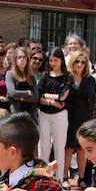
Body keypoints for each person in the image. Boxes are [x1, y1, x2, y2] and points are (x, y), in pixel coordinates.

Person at [37, 47, 70, 182]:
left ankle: (59, 178)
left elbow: (63, 97)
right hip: (44, 114)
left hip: (60, 115)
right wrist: (51, 101)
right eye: (50, 60)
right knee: (43, 146)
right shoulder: (45, 76)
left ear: (61, 60)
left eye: (55, 60)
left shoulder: (67, 77)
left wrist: (47, 97)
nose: (53, 63)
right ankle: (42, 176)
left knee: (59, 146)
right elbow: (38, 96)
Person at [65, 50, 96, 188]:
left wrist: (90, 121)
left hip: (84, 117)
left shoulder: (90, 80)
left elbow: (92, 101)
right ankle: (65, 177)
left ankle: (81, 178)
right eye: (77, 61)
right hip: (68, 117)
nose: (80, 64)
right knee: (69, 148)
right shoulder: (67, 78)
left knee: (82, 149)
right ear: (72, 62)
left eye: (83, 62)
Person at [5, 46, 38, 117]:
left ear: (27, 59)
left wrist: (20, 98)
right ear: (15, 59)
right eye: (19, 57)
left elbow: (36, 97)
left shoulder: (31, 76)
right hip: (15, 114)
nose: (22, 59)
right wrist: (28, 93)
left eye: (24, 57)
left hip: (30, 114)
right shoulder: (10, 74)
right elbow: (12, 93)